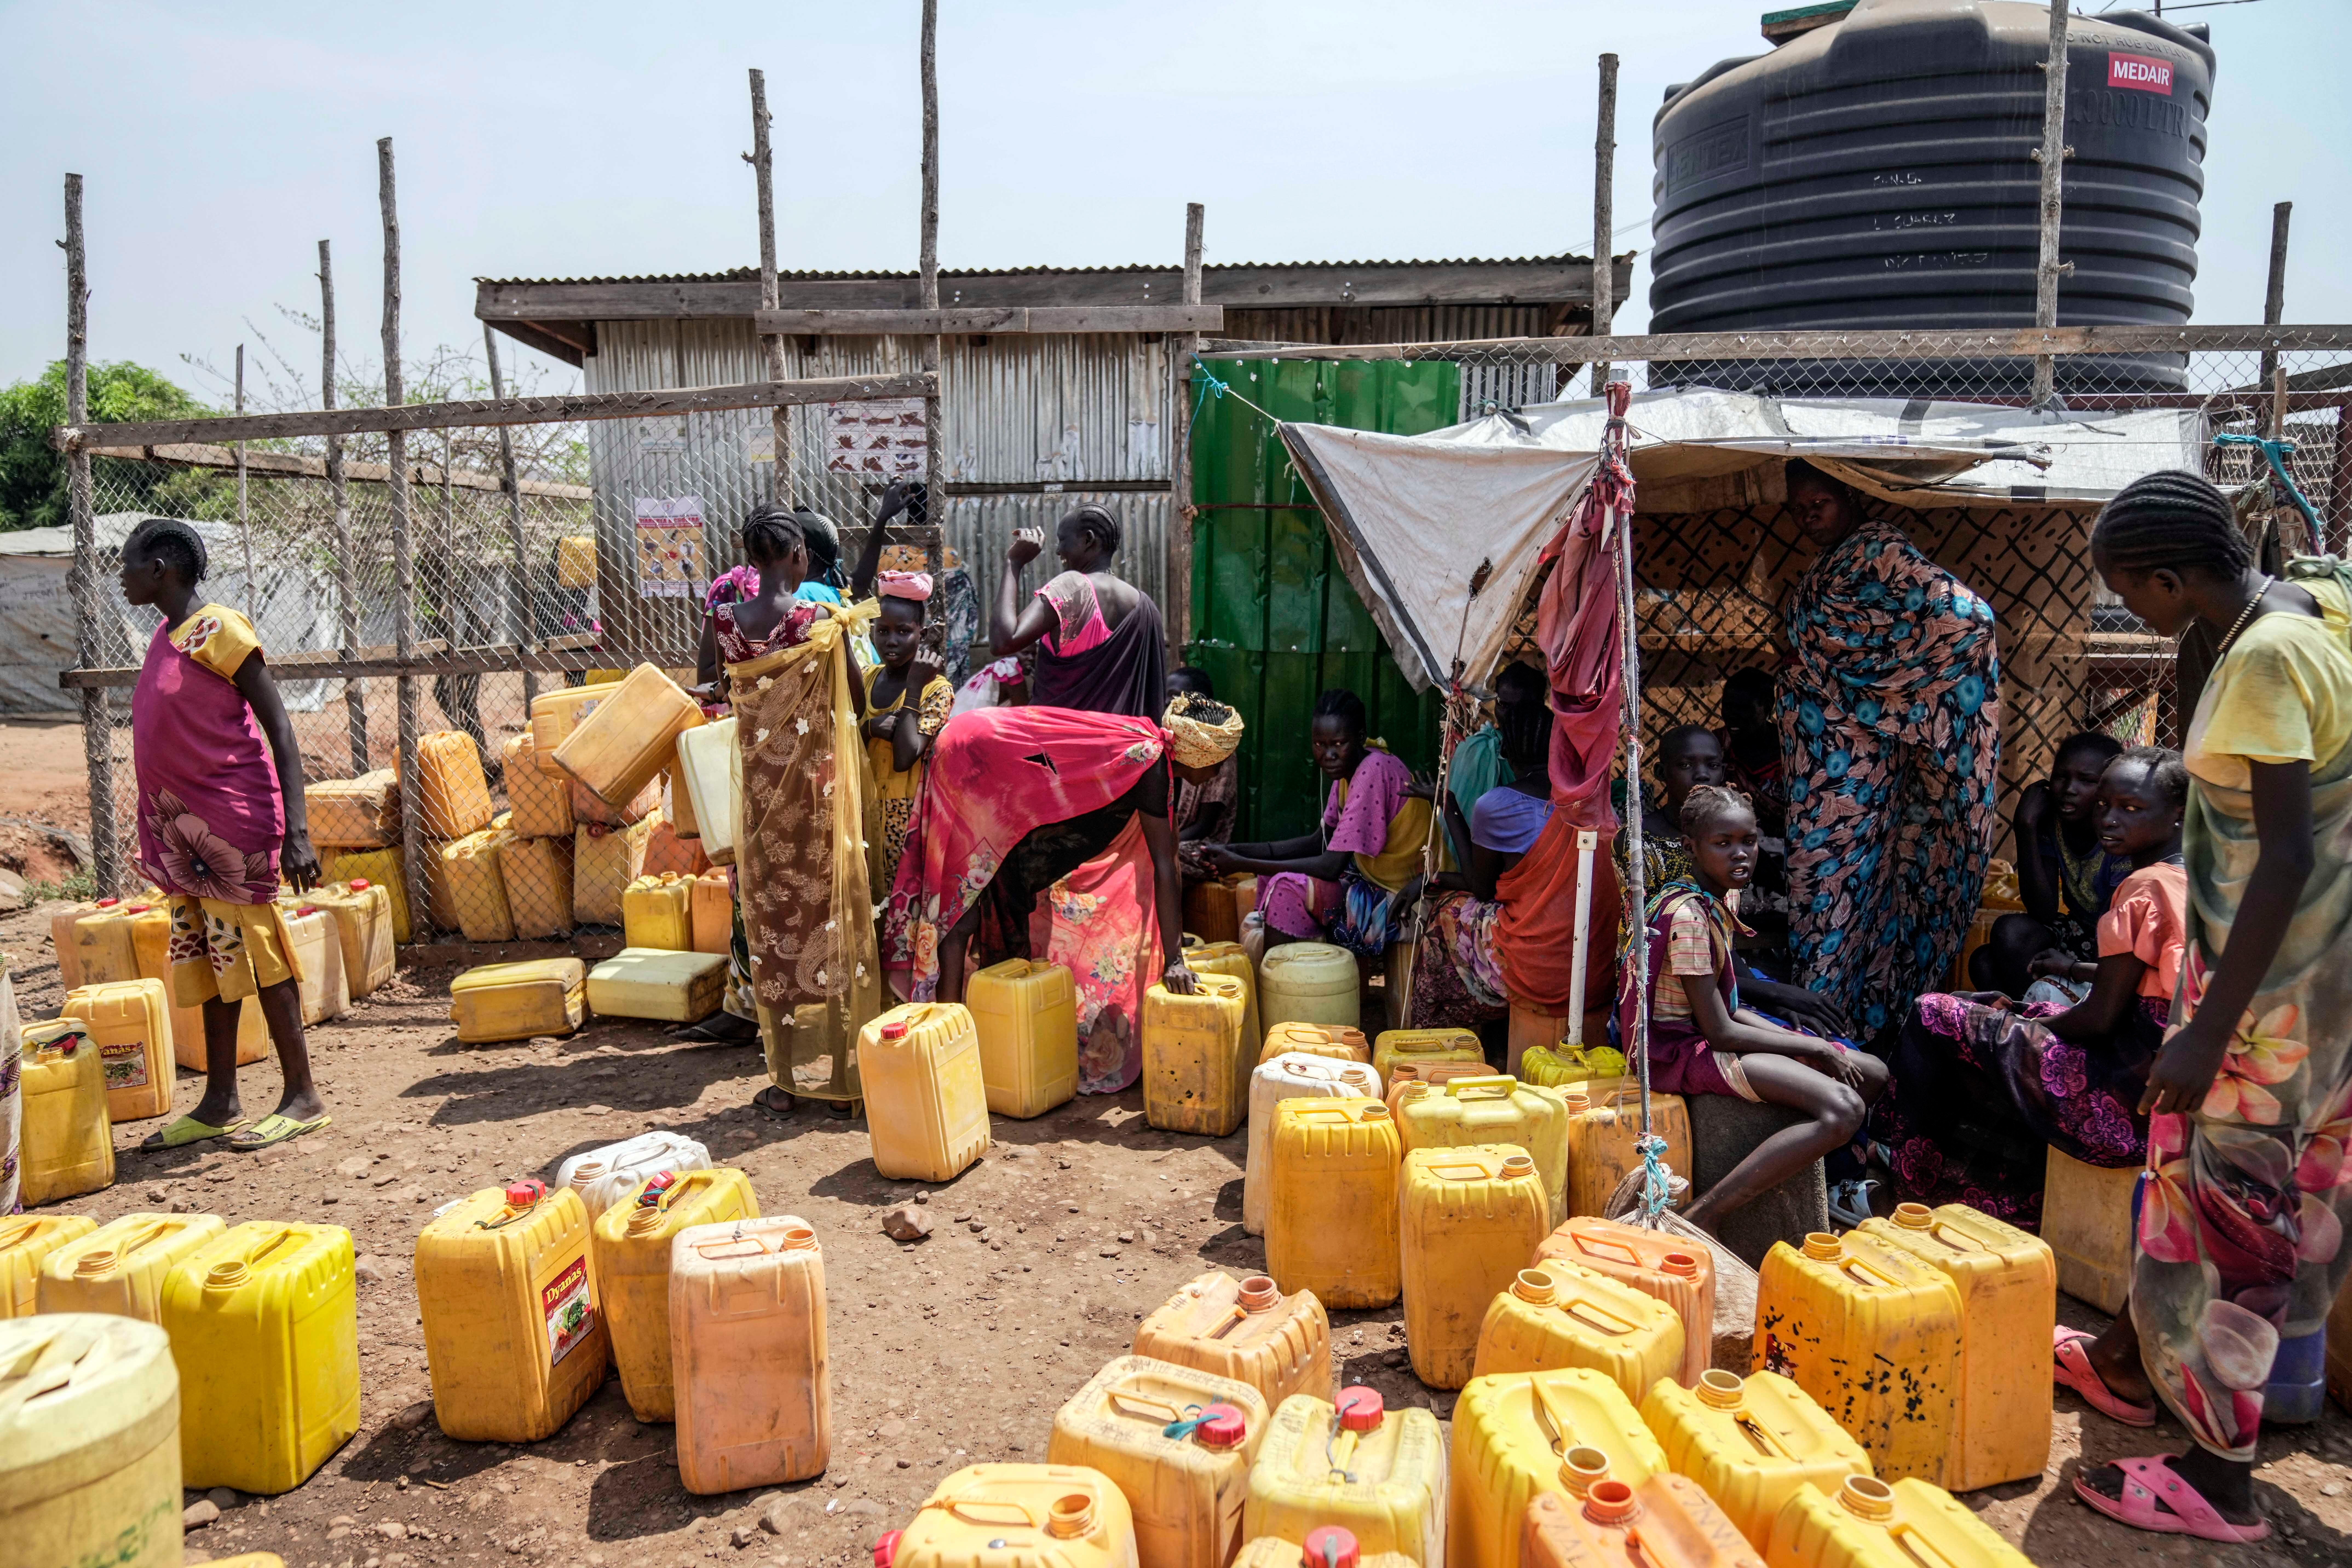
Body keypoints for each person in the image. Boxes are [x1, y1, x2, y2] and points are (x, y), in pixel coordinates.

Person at [2056, 472, 2351, 1545]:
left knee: (2219, 1232)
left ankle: (2213, 1478)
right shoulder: (2315, 609)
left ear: (2167, 578)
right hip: (2330, 990)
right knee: (2300, 1208)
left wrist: (2203, 1029)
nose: (2126, 611)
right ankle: (2206, 1385)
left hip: (2258, 1009)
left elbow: (2279, 854)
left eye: (2128, 591)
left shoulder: (2262, 663)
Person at [1875, 747, 2187, 1229]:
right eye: (2104, 804)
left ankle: (1912, 1179)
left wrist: (2030, 1024)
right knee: (1978, 1006)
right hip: (2160, 1073)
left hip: (2120, 1092)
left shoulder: (2145, 888)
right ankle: (1970, 1179)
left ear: (2179, 814)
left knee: (1934, 1012)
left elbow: (2098, 1018)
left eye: (2131, 808)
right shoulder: (2198, 880)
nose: (2108, 819)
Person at [884, 694, 1243, 1093]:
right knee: (963, 894)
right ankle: (947, 1036)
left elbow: (1166, 855)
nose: (1218, 773)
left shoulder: (1146, 744)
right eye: (1218, 762)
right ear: (1201, 756)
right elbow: (1165, 863)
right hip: (978, 751)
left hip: (981, 738)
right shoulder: (1152, 765)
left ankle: (964, 1032)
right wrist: (1174, 959)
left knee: (979, 889)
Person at [115, 517, 329, 1153]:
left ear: (162, 569)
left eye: (128, 564)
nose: (121, 575)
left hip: (232, 824)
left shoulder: (221, 630)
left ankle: (302, 1095)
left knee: (260, 957)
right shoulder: (165, 632)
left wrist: (299, 830)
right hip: (185, 834)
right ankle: (219, 1099)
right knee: (212, 959)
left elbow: (281, 729)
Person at [1777, 459, 2001, 1043]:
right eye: (1796, 507)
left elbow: (1969, 619)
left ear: (1849, 497)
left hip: (1851, 779)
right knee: (1823, 898)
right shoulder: (1836, 563)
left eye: (1817, 502)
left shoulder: (1877, 550)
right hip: (1822, 776)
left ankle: (1836, 1043)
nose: (1806, 516)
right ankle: (1831, 1040)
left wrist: (1873, 690)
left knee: (1839, 898)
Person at [1622, 785, 1888, 1236]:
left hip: (1703, 1035)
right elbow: (1721, 1030)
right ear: (1692, 847)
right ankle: (1705, 1213)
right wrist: (1815, 1048)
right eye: (1722, 843)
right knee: (1843, 1108)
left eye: (1748, 840)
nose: (1740, 853)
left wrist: (1810, 1048)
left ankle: (1830, 1173)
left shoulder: (1713, 900)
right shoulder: (1687, 916)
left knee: (1872, 1071)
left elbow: (1729, 1007)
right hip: (1675, 1054)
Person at [1207, 690, 1431, 958]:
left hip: (1408, 901)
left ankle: (1283, 987)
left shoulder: (1373, 770)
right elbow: (1319, 841)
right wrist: (1235, 850)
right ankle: (1285, 976)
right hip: (1374, 883)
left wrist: (1240, 864)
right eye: (1319, 745)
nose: (1328, 755)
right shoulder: (1349, 769)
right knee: (1272, 875)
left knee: (1286, 890)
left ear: (1359, 738)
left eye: (1338, 744)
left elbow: (1330, 865)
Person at [1410, 663, 1556, 1033]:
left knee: (1446, 913)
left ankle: (1439, 1027)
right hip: (1579, 940)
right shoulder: (1585, 802)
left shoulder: (1498, 804)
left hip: (1531, 948)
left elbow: (1481, 886)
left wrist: (1450, 805)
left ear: (1505, 747)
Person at [1975, 731, 2128, 1001]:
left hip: (2113, 952)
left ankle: (2058, 1020)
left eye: (2086, 781)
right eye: (2061, 777)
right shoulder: (2052, 824)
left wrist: (2072, 966)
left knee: (2005, 945)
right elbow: (2042, 910)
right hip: (2076, 932)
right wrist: (2025, 827)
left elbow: (2115, 932)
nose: (2069, 789)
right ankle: (2041, 1015)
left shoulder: (2119, 835)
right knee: (1986, 959)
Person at [991, 503, 1165, 719]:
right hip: (1124, 745)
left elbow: (1003, 641)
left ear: (1088, 540)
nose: (1058, 551)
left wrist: (1014, 563)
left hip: (1062, 743)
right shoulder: (1144, 605)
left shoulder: (1072, 586)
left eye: (1062, 540)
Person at [863, 572, 953, 909]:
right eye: (882, 631)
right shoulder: (867, 679)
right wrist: (870, 728)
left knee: (900, 908)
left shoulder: (936, 690)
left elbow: (905, 756)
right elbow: (846, 738)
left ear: (923, 634)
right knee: (869, 905)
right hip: (864, 815)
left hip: (907, 822)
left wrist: (913, 687)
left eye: (904, 632)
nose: (891, 641)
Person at [1717, 666, 1790, 962]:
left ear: (1769, 707)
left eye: (1744, 708)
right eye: (1727, 706)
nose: (1732, 715)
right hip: (1735, 852)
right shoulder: (1717, 748)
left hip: (1785, 853)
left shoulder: (1788, 748)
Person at [1167, 666, 1239, 885]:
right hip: (1169, 837)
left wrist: (1164, 844)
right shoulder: (1166, 739)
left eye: (1174, 696)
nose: (1167, 703)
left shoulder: (1218, 747)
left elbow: (1204, 826)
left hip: (1202, 842)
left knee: (1165, 857)